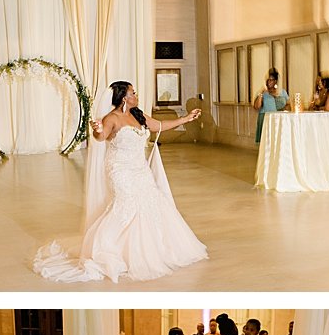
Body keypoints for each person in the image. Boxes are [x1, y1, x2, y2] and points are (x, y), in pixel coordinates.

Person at [35, 80, 206, 283]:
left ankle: (152, 249)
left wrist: (185, 119)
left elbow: (159, 126)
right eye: (134, 92)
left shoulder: (137, 115)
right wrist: (97, 129)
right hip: (119, 170)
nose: (137, 95)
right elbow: (101, 137)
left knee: (151, 203)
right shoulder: (112, 118)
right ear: (124, 97)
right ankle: (105, 249)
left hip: (140, 169)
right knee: (126, 206)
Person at [253, 67, 289, 143]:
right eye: (268, 79)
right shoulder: (263, 93)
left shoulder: (282, 92)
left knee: (277, 142)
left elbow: (288, 105)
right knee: (265, 144)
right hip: (265, 119)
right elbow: (257, 107)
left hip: (277, 120)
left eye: (271, 80)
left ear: (275, 81)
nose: (269, 81)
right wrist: (261, 93)